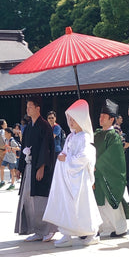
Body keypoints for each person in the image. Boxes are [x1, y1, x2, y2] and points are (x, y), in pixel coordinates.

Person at [43, 99, 101, 248]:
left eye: (74, 119)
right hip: (67, 178)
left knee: (84, 205)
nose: (71, 121)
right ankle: (66, 233)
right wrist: (63, 156)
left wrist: (66, 159)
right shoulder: (70, 136)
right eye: (69, 118)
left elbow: (84, 157)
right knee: (66, 205)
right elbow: (64, 152)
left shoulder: (85, 137)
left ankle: (92, 233)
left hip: (80, 178)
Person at [14, 97, 56, 243]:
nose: (28, 109)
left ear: (38, 108)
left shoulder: (44, 126)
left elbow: (47, 149)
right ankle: (37, 230)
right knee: (29, 198)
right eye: (27, 107)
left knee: (41, 199)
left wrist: (42, 167)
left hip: (40, 168)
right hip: (29, 167)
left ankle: (48, 229)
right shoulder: (28, 128)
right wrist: (20, 168)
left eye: (30, 106)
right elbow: (23, 147)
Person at [94, 99, 129, 238]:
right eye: (100, 116)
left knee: (111, 200)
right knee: (99, 201)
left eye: (103, 117)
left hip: (108, 173)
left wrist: (97, 165)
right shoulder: (97, 134)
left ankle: (120, 227)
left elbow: (112, 156)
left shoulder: (114, 137)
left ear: (111, 119)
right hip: (97, 173)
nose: (100, 119)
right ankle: (106, 227)